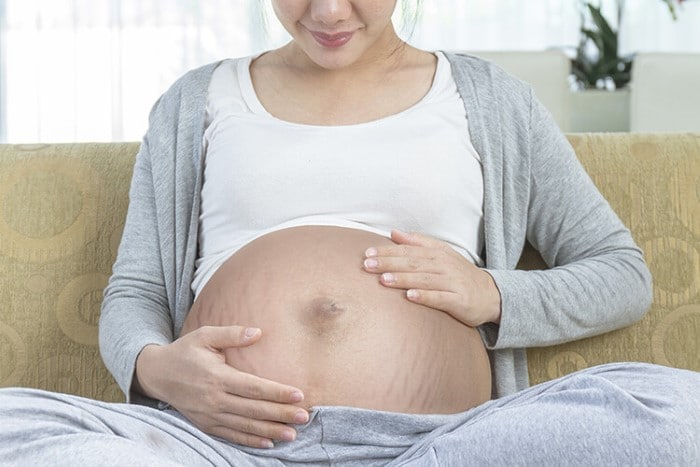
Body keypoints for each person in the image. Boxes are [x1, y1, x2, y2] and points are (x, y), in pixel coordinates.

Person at [1, 1, 698, 465]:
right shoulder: (195, 103)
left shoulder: (488, 99)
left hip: (440, 444)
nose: (329, 11)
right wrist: (154, 367)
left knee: (680, 417)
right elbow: (136, 289)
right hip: (220, 448)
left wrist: (492, 293)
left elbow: (621, 272)